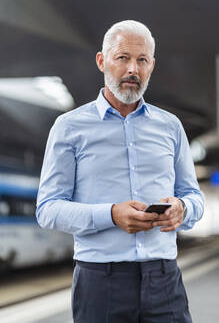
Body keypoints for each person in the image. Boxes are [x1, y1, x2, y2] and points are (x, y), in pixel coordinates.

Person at [36, 20, 204, 323]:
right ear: (102, 61)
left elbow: (194, 195)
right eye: (122, 57)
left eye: (142, 60)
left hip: (164, 279)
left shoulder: (170, 127)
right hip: (101, 283)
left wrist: (183, 208)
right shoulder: (69, 127)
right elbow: (48, 209)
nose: (132, 70)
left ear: (152, 66)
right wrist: (112, 214)